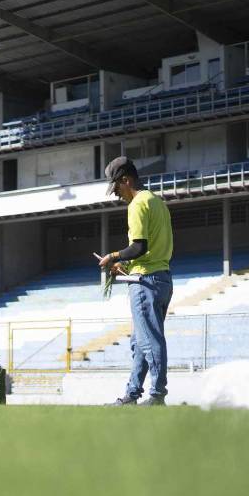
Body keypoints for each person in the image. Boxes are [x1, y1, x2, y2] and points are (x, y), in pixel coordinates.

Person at [98, 157, 174, 406]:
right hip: (162, 279)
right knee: (140, 341)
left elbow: (139, 246)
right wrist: (125, 265)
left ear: (126, 180)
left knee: (149, 340)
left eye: (116, 188)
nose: (117, 194)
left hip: (145, 283)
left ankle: (157, 394)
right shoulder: (157, 202)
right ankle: (131, 395)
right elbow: (150, 248)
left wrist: (113, 256)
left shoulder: (137, 204)